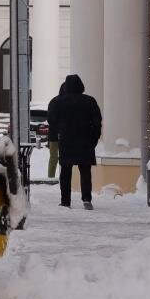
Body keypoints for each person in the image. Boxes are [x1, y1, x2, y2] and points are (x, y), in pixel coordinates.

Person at [47, 74, 102, 210]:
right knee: (85, 171)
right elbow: (97, 122)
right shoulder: (90, 101)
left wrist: (60, 131)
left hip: (66, 140)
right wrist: (94, 138)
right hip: (86, 140)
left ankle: (65, 201)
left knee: (65, 171)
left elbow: (51, 120)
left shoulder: (57, 101)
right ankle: (87, 199)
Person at [45, 82, 68, 180]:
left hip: (53, 134)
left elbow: (50, 119)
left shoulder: (54, 101)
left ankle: (51, 177)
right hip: (63, 134)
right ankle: (63, 177)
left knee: (53, 157)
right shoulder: (66, 102)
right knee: (65, 158)